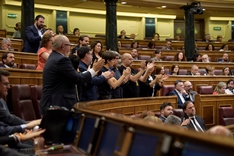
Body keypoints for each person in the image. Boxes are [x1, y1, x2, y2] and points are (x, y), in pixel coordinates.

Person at [40, 35, 104, 115]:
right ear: (63, 46)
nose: (70, 48)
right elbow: (77, 79)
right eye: (69, 45)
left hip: (52, 102)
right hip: (58, 104)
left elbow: (73, 75)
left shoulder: (53, 57)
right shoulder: (62, 60)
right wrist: (94, 70)